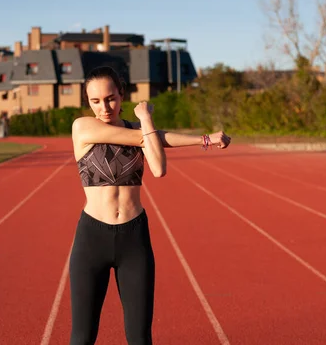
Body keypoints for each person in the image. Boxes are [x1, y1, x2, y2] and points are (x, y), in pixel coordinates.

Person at [70, 66, 231, 345]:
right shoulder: (83, 127)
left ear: (122, 94)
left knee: (140, 337)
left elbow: (157, 164)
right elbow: (149, 141)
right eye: (95, 101)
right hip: (91, 239)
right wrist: (146, 117)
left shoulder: (142, 131)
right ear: (88, 102)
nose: (104, 107)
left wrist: (205, 138)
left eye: (110, 98)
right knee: (83, 337)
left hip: (134, 238)